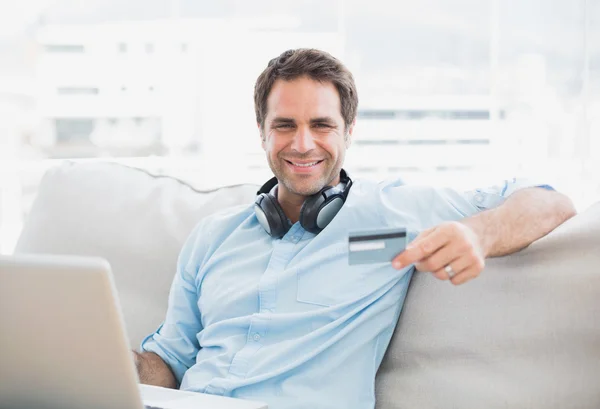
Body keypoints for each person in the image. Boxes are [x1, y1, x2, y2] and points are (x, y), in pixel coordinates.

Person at [133, 48, 576, 409]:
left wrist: (479, 234)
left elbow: (549, 200)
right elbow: (170, 360)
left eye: (321, 125)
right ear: (262, 132)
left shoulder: (392, 213)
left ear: (349, 130)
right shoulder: (213, 236)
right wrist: (105, 365)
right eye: (284, 125)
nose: (302, 144)